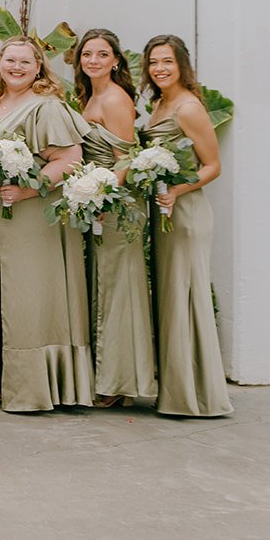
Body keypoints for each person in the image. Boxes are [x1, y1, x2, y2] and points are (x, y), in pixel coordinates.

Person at [0, 37, 92, 411]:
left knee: (25, 295)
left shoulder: (47, 107)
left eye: (25, 62)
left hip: (27, 214)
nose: (17, 68)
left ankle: (26, 386)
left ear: (39, 67)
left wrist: (29, 189)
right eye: (10, 60)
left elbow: (70, 160)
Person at [141, 35, 231, 418]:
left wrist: (178, 190)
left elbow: (212, 166)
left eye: (167, 61)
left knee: (186, 296)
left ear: (182, 65)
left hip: (187, 212)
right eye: (153, 62)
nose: (159, 68)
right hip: (165, 210)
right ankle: (175, 389)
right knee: (170, 297)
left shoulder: (189, 107)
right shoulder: (159, 103)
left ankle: (196, 396)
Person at [73, 28, 154, 408]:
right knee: (103, 284)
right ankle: (108, 377)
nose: (93, 60)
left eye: (102, 54)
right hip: (98, 201)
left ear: (116, 60)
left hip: (117, 206)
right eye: (87, 54)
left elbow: (125, 158)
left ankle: (117, 382)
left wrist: (103, 196)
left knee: (117, 288)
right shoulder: (90, 95)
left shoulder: (116, 98)